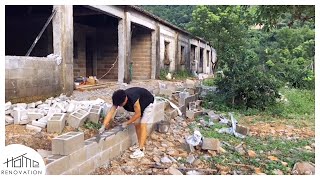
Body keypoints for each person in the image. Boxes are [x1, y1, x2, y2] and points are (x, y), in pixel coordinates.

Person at [99, 87, 155, 159]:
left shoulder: (133, 98)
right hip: (140, 106)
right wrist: (103, 125)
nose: (119, 106)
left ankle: (141, 150)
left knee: (142, 124)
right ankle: (139, 145)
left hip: (148, 103)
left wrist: (127, 123)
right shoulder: (118, 98)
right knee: (136, 124)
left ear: (125, 99)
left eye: (121, 105)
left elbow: (138, 114)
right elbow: (111, 112)